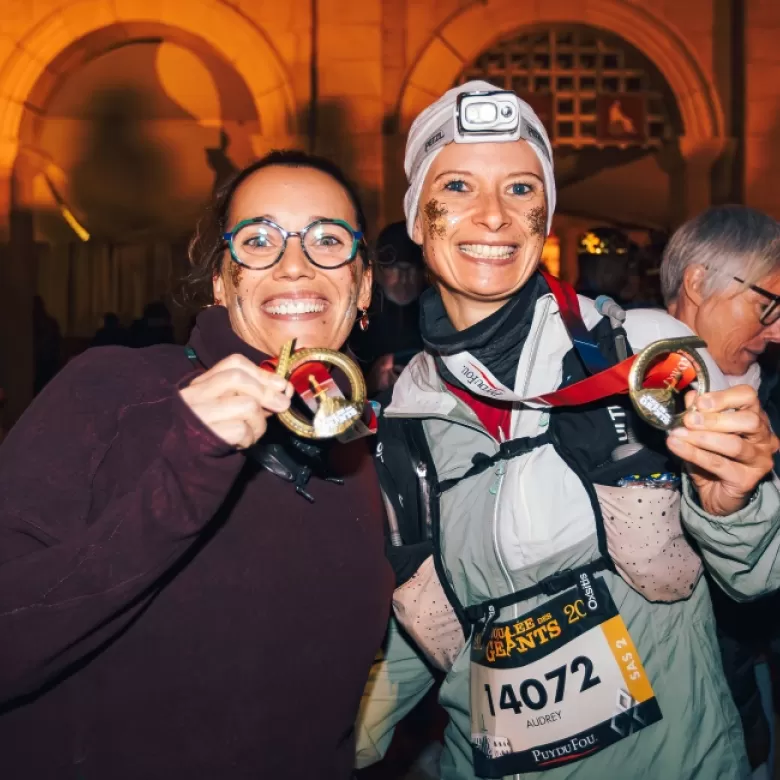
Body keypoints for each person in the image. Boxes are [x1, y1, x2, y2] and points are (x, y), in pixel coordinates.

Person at [356, 81, 780, 780]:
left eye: (521, 189)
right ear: (418, 221)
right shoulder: (406, 414)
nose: (494, 215)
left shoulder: (644, 353)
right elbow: (429, 614)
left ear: (544, 217)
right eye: (457, 185)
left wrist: (735, 503)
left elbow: (759, 573)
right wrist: (341, 732)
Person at [0, 150, 393, 779]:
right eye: (259, 240)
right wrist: (185, 470)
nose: (295, 263)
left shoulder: (359, 448)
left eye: (327, 239)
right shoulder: (114, 391)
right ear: (221, 282)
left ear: (364, 283)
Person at [661, 205, 780, 774]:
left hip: (738, 691)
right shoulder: (600, 386)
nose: (778, 331)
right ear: (697, 281)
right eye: (767, 306)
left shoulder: (771, 404)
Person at [349, 221, 427, 396]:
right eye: (395, 269)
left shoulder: (440, 316)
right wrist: (369, 384)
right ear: (377, 271)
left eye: (412, 270)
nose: (404, 279)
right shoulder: (354, 320)